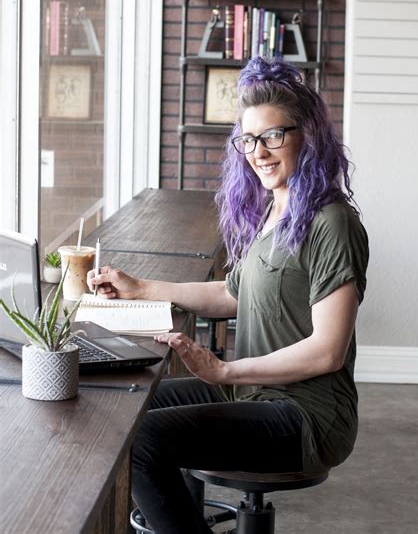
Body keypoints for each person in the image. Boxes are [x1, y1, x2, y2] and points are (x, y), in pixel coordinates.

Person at [88, 55, 369, 534]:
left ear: (309, 136)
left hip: (305, 415)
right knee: (128, 403)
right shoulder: (276, 209)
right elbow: (232, 294)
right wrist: (140, 287)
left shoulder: (331, 222)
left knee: (147, 439)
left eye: (272, 136)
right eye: (248, 139)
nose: (257, 151)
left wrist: (224, 370)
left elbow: (328, 350)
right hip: (254, 391)